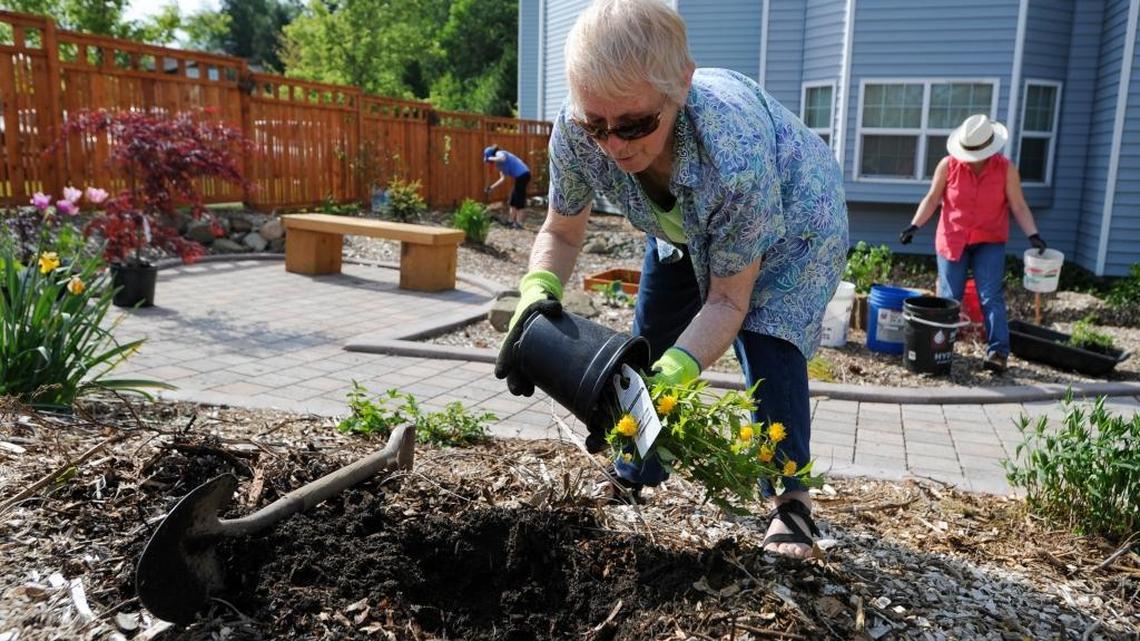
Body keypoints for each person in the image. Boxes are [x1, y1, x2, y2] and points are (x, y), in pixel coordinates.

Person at [493, 0, 848, 560]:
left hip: (795, 225)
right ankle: (635, 465)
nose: (614, 144)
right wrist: (536, 291)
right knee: (650, 335)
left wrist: (682, 371)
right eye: (597, 124)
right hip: (684, 223)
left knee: (766, 340)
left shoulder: (734, 154)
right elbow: (561, 233)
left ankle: (790, 501)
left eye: (633, 124)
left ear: (680, 87)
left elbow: (730, 301)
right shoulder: (579, 132)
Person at [899, 114, 1046, 373]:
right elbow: (932, 199)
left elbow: (1019, 206)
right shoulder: (948, 165)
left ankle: (998, 353)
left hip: (989, 240)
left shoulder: (1005, 170)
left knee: (990, 296)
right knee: (949, 299)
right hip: (952, 238)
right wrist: (914, 225)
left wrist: (1032, 234)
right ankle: (939, 353)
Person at [484, 145, 531, 229]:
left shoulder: (500, 153)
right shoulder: (499, 165)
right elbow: (502, 179)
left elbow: (502, 158)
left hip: (524, 175)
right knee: (513, 199)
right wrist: (491, 187)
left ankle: (519, 224)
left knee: (519, 200)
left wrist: (490, 158)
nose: (491, 163)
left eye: (490, 160)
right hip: (519, 177)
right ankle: (511, 221)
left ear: (492, 155)